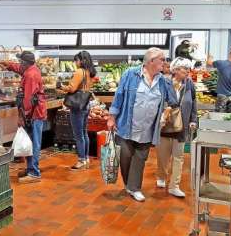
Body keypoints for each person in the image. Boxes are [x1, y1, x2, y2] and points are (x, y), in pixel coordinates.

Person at [107, 47, 178, 202]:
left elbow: (173, 101)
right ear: (152, 61)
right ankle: (129, 184)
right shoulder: (130, 75)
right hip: (126, 125)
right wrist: (112, 118)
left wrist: (166, 111)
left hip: (148, 129)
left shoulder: (164, 81)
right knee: (125, 156)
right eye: (162, 59)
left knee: (140, 157)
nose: (164, 62)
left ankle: (134, 188)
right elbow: (118, 96)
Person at [0, 51, 46, 183]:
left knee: (34, 143)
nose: (19, 64)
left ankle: (34, 173)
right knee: (30, 141)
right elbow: (18, 68)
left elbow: (28, 99)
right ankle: (30, 168)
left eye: (20, 62)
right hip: (33, 113)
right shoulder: (30, 69)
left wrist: (23, 117)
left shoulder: (30, 75)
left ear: (25, 63)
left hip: (33, 113)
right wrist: (6, 64)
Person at [156, 57, 198, 198]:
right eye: (184, 69)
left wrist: (193, 119)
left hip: (182, 126)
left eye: (188, 68)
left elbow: (193, 102)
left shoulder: (189, 84)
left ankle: (174, 186)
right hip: (166, 125)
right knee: (163, 156)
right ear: (175, 70)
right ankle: (161, 176)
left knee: (179, 157)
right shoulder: (164, 82)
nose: (187, 71)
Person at [59, 51, 96, 170]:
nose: (75, 63)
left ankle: (81, 160)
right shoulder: (89, 72)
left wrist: (61, 87)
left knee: (78, 135)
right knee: (84, 133)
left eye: (76, 60)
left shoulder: (79, 72)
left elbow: (72, 88)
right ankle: (85, 158)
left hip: (77, 106)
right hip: (85, 105)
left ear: (81, 60)